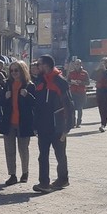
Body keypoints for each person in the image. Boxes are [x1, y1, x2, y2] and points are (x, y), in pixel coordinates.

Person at [31, 55, 74, 194]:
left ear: (47, 65)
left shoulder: (59, 81)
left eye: (39, 64)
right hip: (43, 125)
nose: (37, 66)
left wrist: (67, 127)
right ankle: (44, 182)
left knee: (60, 154)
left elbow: (69, 105)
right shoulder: (40, 81)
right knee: (42, 155)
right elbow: (37, 105)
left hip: (57, 125)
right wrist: (35, 124)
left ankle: (63, 179)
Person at [0, 61, 35, 186]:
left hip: (23, 122)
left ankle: (25, 172)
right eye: (12, 70)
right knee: (9, 150)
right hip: (9, 122)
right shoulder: (7, 84)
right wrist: (5, 97)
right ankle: (12, 174)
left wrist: (28, 96)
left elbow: (35, 104)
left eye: (16, 70)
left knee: (23, 149)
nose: (14, 73)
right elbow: (0, 103)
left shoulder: (29, 85)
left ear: (22, 71)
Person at [68, 59, 90, 128]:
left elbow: (88, 83)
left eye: (78, 64)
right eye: (75, 64)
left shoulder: (85, 73)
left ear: (81, 65)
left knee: (80, 108)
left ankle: (79, 122)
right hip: (73, 92)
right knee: (73, 108)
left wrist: (81, 82)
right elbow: (67, 81)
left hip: (81, 93)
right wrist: (71, 82)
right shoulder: (71, 73)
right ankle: (73, 122)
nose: (76, 66)